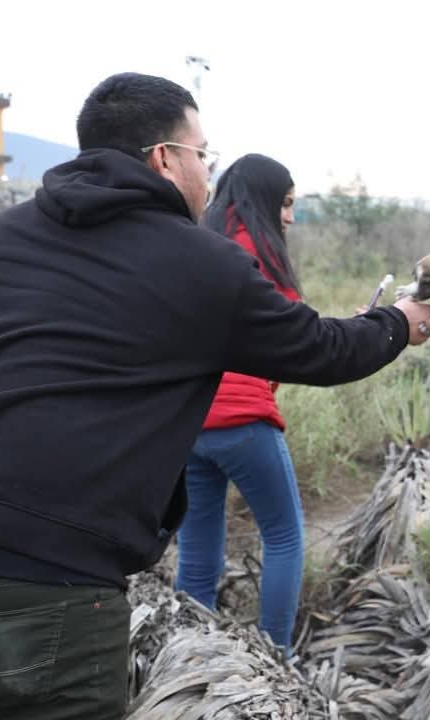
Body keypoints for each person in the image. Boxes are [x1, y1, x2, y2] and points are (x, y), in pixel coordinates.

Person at [0, 73, 430, 720]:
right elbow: (324, 349)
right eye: (203, 155)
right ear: (165, 158)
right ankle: (274, 653)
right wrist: (401, 321)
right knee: (282, 535)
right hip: (56, 589)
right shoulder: (201, 261)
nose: (208, 175)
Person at [174, 153, 310, 654]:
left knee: (195, 554)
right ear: (266, 199)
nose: (290, 217)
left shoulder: (199, 244)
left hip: (189, 423)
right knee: (284, 539)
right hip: (245, 418)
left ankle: (187, 658)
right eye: (287, 204)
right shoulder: (260, 255)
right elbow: (293, 342)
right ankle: (276, 657)